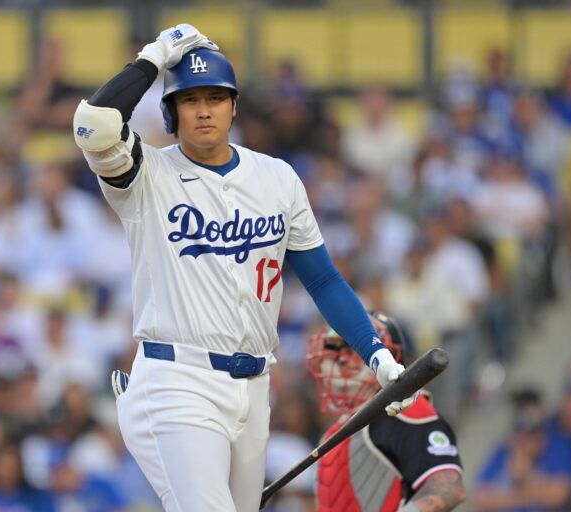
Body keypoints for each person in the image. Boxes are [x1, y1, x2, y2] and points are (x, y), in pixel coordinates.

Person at [72, 24, 414, 512]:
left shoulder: (277, 177)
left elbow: (322, 279)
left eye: (216, 96)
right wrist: (156, 54)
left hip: (254, 387)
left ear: (234, 106)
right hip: (177, 379)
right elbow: (95, 125)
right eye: (190, 99)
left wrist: (377, 356)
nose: (205, 109)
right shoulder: (145, 174)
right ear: (172, 112)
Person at [308, 310, 465, 511]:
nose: (343, 359)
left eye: (352, 348)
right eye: (335, 349)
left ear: (391, 355)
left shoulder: (405, 410)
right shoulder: (336, 430)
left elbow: (449, 488)